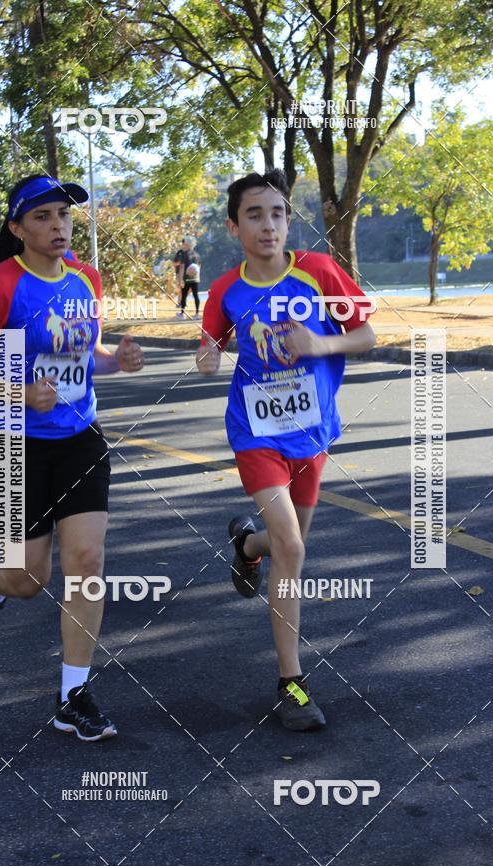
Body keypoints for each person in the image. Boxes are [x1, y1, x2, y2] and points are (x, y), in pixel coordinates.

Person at [0, 174, 144, 742]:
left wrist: (117, 360)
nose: (58, 225)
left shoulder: (85, 278)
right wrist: (20, 391)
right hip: (13, 440)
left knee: (87, 561)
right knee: (28, 579)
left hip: (80, 436)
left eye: (64, 214)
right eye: (43, 216)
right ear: (17, 228)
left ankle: (72, 696)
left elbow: (87, 354)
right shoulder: (2, 288)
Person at [195, 169, 375, 731]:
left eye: (277, 213)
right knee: (292, 548)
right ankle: (290, 683)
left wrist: (320, 342)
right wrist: (208, 357)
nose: (268, 225)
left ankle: (247, 546)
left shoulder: (318, 271)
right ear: (234, 227)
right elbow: (208, 347)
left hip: (312, 432)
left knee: (283, 544)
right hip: (255, 432)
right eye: (254, 215)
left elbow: (367, 336)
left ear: (288, 221)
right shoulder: (225, 290)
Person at [176, 235, 202, 319]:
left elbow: (182, 267)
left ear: (187, 244)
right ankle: (197, 314)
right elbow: (199, 266)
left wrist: (180, 280)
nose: (183, 245)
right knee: (195, 295)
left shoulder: (184, 254)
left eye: (184, 244)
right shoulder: (197, 255)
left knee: (184, 296)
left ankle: (182, 314)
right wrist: (197, 277)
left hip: (186, 278)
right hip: (195, 278)